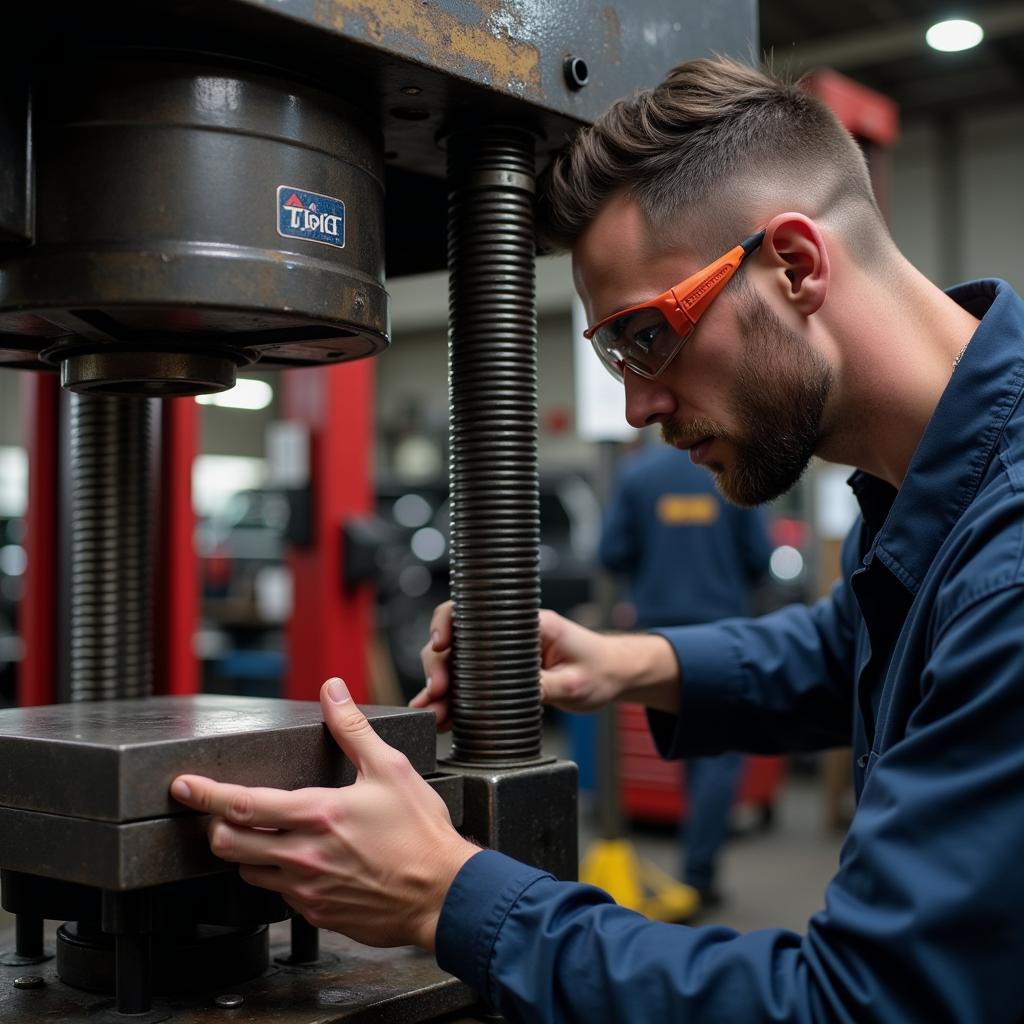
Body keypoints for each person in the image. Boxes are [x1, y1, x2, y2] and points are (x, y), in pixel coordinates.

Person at [170, 56, 1024, 1021]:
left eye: (648, 338)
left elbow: (859, 1007)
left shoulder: (1009, 566)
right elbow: (850, 647)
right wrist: (620, 662)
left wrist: (449, 896)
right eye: (614, 355)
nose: (635, 405)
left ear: (796, 265)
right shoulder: (939, 482)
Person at [598, 441, 771, 903]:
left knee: (685, 741)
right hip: (722, 633)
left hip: (661, 640)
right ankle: (698, 876)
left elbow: (611, 551)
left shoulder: (637, 476)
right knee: (717, 755)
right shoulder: (730, 465)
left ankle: (692, 872)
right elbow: (759, 557)